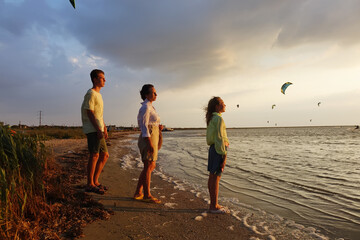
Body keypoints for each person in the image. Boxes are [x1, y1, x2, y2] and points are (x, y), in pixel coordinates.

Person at [81, 69, 109, 195]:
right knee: (94, 155)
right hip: (93, 129)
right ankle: (89, 184)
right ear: (95, 79)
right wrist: (98, 129)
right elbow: (90, 112)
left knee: (104, 155)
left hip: (99, 128)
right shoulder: (91, 93)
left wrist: (104, 127)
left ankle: (95, 181)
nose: (104, 80)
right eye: (102, 78)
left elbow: (99, 114)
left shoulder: (99, 95)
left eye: (104, 78)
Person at [133, 84, 163, 203]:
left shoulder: (150, 106)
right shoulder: (145, 107)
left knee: (151, 165)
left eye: (156, 92)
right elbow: (144, 125)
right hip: (148, 138)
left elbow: (150, 123)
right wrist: (149, 142)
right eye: (153, 93)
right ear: (146, 94)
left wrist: (157, 127)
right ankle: (147, 194)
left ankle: (138, 192)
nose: (156, 95)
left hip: (153, 136)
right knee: (148, 166)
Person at [205, 97, 229, 213]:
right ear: (217, 106)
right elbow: (220, 138)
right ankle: (214, 206)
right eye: (223, 103)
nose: (225, 105)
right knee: (216, 178)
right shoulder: (218, 119)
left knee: (212, 176)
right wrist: (224, 155)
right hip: (218, 149)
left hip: (213, 149)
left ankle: (213, 204)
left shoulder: (212, 118)